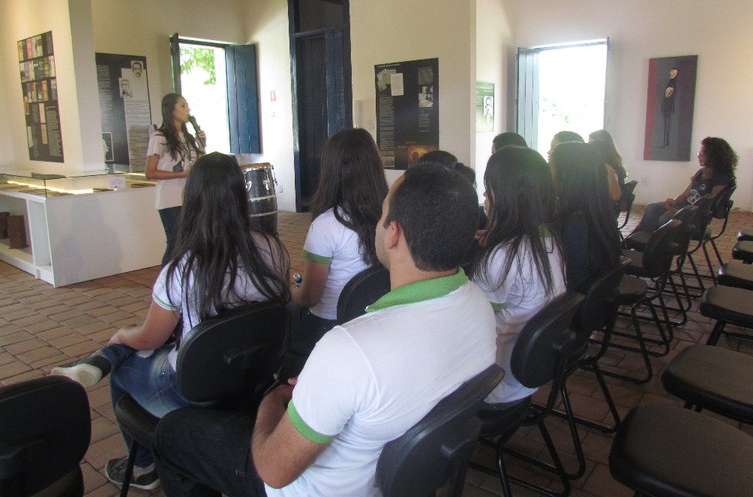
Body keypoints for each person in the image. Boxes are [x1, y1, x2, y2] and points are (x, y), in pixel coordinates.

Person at [152, 162, 497, 497]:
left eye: (382, 215)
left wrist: (272, 400)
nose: (377, 225)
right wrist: (325, 387)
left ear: (393, 233)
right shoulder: (478, 305)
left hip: (305, 487)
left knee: (173, 432)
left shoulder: (351, 349)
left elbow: (273, 469)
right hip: (394, 478)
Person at [51, 152, 291, 490]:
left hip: (193, 389)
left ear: (192, 200)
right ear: (241, 195)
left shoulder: (183, 269)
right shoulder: (273, 250)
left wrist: (123, 335)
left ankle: (144, 467)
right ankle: (104, 359)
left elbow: (150, 338)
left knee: (124, 369)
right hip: (254, 377)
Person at [471, 146, 566, 407]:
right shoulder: (550, 240)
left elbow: (471, 323)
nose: (484, 195)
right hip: (531, 374)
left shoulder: (502, 257)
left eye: (489, 187)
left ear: (505, 195)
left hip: (496, 385)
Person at [288, 128, 388, 359]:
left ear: (330, 170)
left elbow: (309, 297)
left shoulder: (327, 225)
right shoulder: (389, 215)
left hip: (329, 327)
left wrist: (288, 291)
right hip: (371, 320)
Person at [549, 142, 623, 293]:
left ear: (566, 176)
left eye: (550, 167)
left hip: (575, 299)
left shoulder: (574, 223)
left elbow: (572, 278)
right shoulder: (597, 210)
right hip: (595, 298)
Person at [632, 136, 738, 234]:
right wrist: (674, 201)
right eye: (699, 153)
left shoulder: (721, 179)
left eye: (702, 153)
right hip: (685, 208)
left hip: (695, 217)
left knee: (664, 218)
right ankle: (640, 238)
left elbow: (707, 208)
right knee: (652, 208)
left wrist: (678, 211)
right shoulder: (702, 172)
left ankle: (658, 245)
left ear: (714, 156)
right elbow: (685, 195)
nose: (698, 156)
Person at [146, 93, 205, 265]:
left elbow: (198, 163)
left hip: (189, 197)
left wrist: (202, 143)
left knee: (190, 243)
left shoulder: (188, 137)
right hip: (170, 199)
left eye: (187, 105)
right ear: (171, 110)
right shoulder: (159, 137)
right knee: (175, 243)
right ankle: (166, 279)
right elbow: (150, 172)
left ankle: (183, 277)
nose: (188, 110)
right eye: (183, 106)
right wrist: (180, 174)